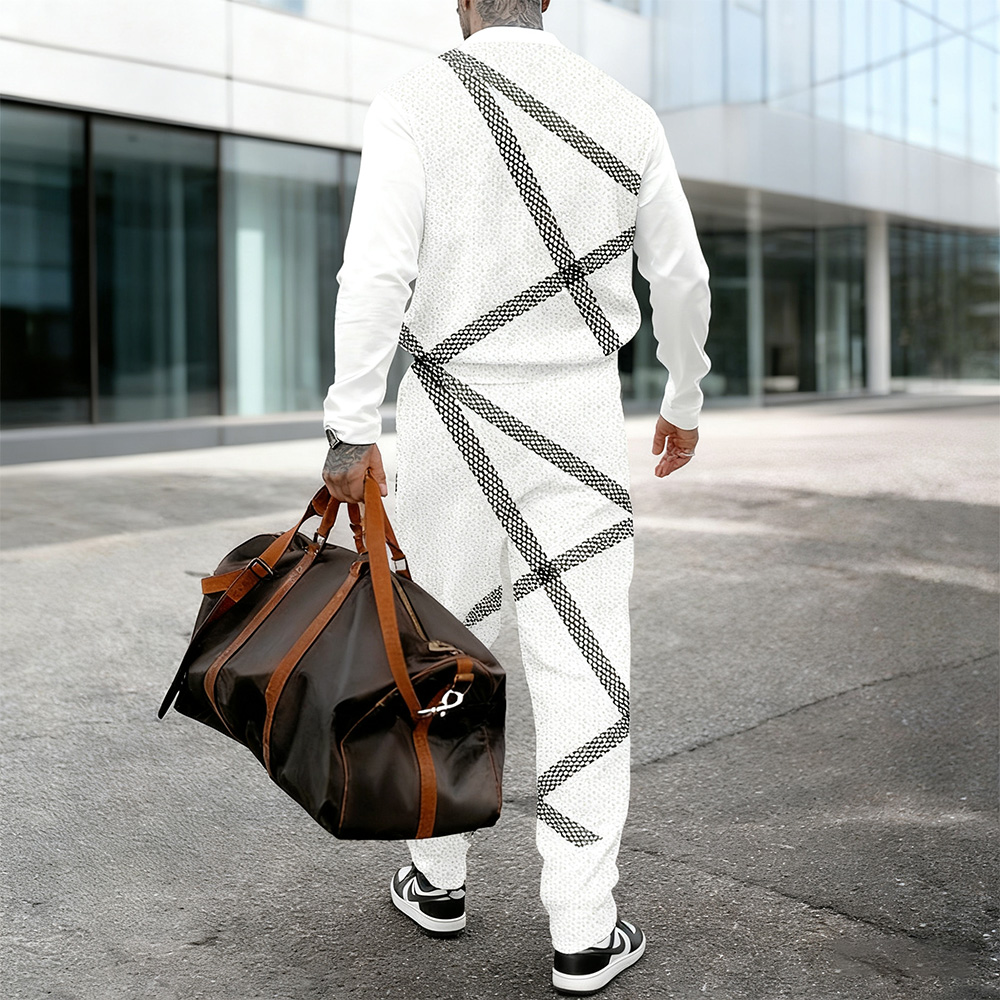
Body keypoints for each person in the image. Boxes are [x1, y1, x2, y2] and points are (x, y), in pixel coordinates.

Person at [321, 0, 710, 992]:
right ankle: (582, 929)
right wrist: (683, 394)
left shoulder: (414, 98)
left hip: (448, 416)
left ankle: (437, 877)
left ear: (461, 1)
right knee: (584, 665)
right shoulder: (623, 112)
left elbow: (375, 274)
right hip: (577, 420)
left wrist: (350, 427)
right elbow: (682, 276)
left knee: (443, 645)